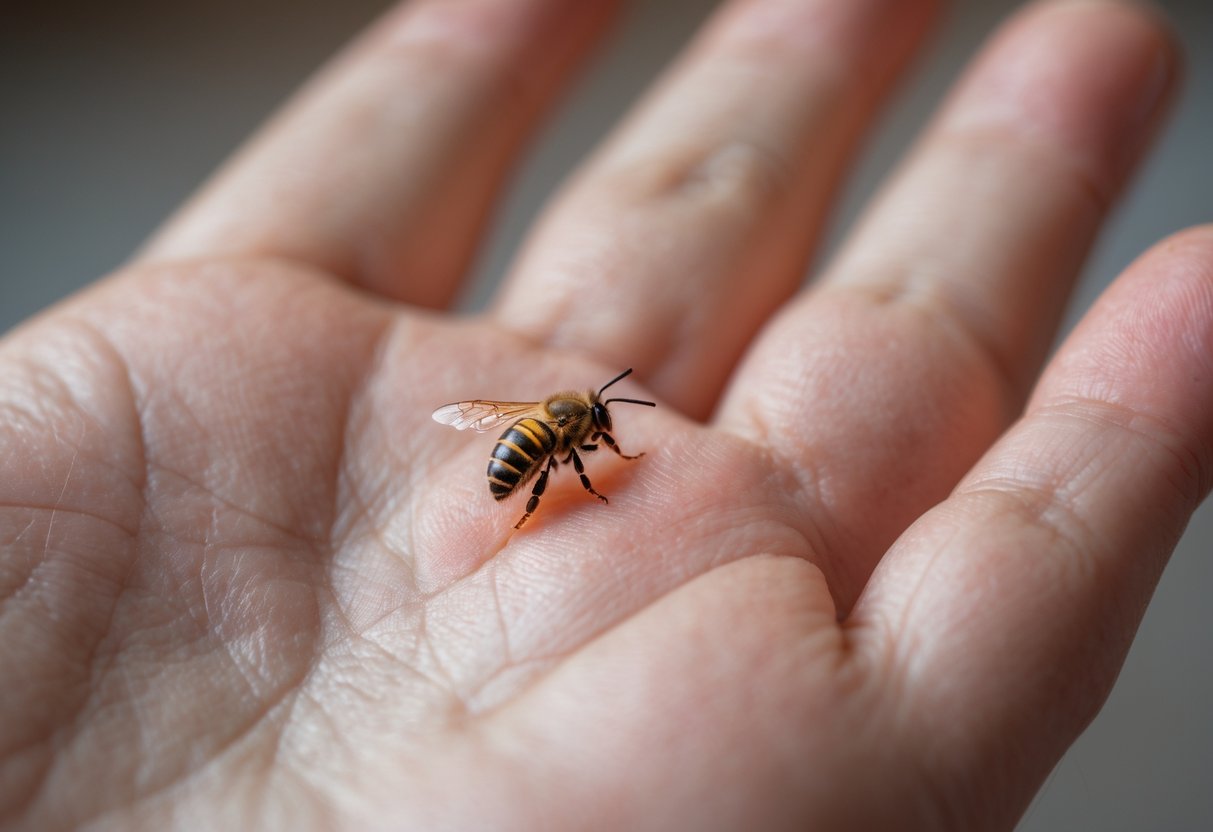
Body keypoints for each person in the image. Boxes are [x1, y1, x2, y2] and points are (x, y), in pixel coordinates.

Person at [0, 0, 1205, 827]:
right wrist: (542, 495)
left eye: (580, 429)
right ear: (576, 421)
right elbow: (546, 450)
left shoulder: (563, 420)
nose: (590, 436)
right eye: (587, 428)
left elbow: (528, 433)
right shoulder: (565, 437)